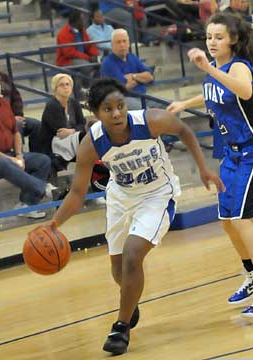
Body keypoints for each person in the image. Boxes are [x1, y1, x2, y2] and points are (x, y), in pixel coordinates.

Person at [44, 77, 224, 355]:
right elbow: (78, 193)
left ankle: (120, 327)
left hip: (157, 195)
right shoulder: (91, 144)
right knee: (119, 271)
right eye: (108, 109)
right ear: (95, 113)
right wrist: (55, 223)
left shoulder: (150, 121)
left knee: (132, 255)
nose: (116, 113)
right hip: (120, 197)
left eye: (120, 106)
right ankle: (131, 300)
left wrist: (203, 168)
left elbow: (184, 130)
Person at [167, 13, 253, 317]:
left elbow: (244, 91)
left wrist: (207, 68)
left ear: (233, 40)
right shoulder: (217, 71)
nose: (211, 42)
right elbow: (211, 92)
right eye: (208, 37)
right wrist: (184, 104)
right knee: (226, 219)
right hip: (233, 153)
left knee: (242, 220)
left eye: (218, 37)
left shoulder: (239, 67)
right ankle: (252, 276)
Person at [0, 72, 52, 219]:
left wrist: (19, 155)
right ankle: (43, 188)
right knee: (3, 162)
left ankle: (26, 204)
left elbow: (16, 133)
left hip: (9, 154)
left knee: (42, 161)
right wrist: (11, 159)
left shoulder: (5, 105)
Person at [0, 42, 41, 153]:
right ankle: (19, 158)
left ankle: (35, 156)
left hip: (12, 116)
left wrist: (18, 114)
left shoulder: (3, 77)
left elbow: (16, 97)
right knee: (17, 124)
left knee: (36, 125)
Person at [40, 74, 86, 179]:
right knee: (84, 137)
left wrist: (72, 131)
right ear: (55, 88)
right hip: (53, 144)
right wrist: (75, 130)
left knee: (86, 136)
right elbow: (61, 131)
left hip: (71, 139)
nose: (66, 87)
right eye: (61, 85)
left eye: (68, 84)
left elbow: (82, 123)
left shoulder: (74, 102)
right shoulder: (52, 105)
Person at [100, 28, 154, 110]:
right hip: (123, 100)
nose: (122, 45)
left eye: (124, 41)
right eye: (118, 42)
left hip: (143, 96)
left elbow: (149, 77)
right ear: (112, 45)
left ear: (128, 43)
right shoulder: (108, 63)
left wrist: (134, 76)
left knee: (171, 106)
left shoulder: (132, 57)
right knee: (148, 113)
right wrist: (140, 79)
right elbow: (124, 87)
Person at [56, 10, 99, 99]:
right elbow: (69, 52)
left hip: (81, 57)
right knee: (87, 66)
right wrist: (87, 57)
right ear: (76, 21)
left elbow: (89, 45)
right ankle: (86, 88)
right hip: (67, 60)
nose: (84, 22)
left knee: (99, 65)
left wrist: (95, 55)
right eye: (82, 20)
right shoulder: (63, 34)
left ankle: (95, 90)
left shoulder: (82, 30)